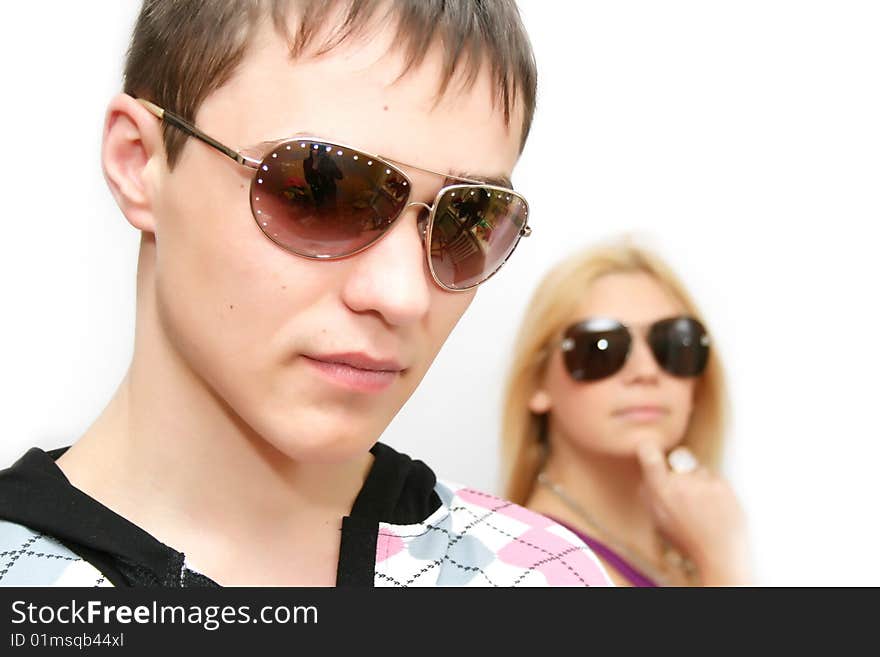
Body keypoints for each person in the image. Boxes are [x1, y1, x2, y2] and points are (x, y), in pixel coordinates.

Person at [0, 0, 611, 588]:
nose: (403, 295)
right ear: (139, 163)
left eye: (468, 220)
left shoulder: (533, 575)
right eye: (321, 191)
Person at [501, 240, 754, 586]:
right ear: (537, 382)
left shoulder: (683, 552)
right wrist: (722, 564)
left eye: (673, 345)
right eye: (600, 348)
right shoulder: (532, 568)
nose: (646, 371)